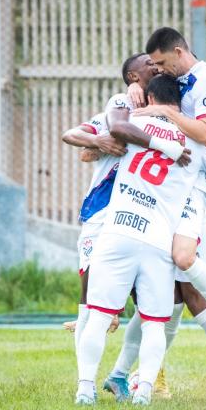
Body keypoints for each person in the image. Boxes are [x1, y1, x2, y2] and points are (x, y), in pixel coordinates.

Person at [105, 27, 206, 404]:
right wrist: (139, 98)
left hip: (195, 198)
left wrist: (166, 114)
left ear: (175, 52)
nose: (156, 70)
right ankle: (134, 375)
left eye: (158, 63)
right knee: (168, 293)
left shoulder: (203, 82)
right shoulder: (170, 86)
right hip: (173, 201)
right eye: (149, 68)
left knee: (185, 282)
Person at [75, 74, 202, 406]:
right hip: (158, 240)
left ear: (149, 99)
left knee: (99, 315)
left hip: (117, 231)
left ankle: (85, 389)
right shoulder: (195, 142)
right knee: (154, 324)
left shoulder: (131, 122)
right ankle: (144, 391)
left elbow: (93, 148)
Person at [59, 53, 159, 350]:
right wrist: (98, 142)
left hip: (144, 211)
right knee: (88, 291)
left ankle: (150, 377)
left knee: (151, 298)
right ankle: (84, 381)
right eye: (147, 62)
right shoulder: (118, 106)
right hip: (102, 208)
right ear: (133, 77)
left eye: (157, 61)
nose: (154, 64)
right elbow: (72, 136)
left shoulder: (167, 108)